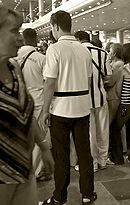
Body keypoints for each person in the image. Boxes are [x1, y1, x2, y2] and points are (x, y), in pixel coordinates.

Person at [40, 11, 96, 205]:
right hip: (82, 107)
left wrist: (45, 110)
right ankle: (88, 194)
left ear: (55, 26)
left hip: (60, 109)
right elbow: (89, 81)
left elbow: (49, 83)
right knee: (84, 153)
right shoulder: (84, 50)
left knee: (61, 155)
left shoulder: (54, 49)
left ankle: (59, 197)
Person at [0, 5, 54, 205]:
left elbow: (24, 113)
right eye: (14, 31)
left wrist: (44, 147)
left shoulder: (14, 67)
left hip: (24, 167)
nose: (20, 38)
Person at [16, 28, 52, 182]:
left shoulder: (13, 58)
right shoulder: (41, 58)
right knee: (40, 138)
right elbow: (48, 81)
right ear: (35, 39)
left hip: (20, 103)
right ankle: (36, 171)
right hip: (38, 101)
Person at [74, 31, 110, 173]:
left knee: (89, 132)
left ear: (78, 39)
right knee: (103, 130)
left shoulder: (76, 52)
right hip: (101, 96)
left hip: (83, 99)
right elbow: (108, 77)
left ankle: (92, 163)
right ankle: (103, 160)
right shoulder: (102, 53)